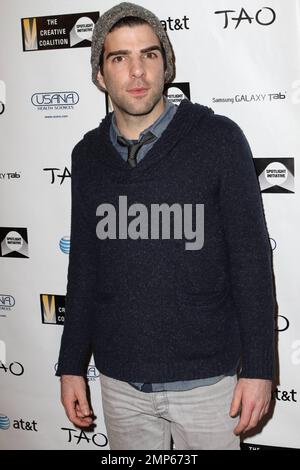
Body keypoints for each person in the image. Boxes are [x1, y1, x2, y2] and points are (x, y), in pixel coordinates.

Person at [56, 2, 276, 450]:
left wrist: (260, 368)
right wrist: (71, 364)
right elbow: (84, 269)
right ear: (100, 74)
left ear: (166, 65)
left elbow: (251, 261)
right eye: (119, 58)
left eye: (149, 55)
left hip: (209, 385)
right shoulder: (87, 156)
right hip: (119, 384)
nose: (137, 72)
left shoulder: (218, 139)